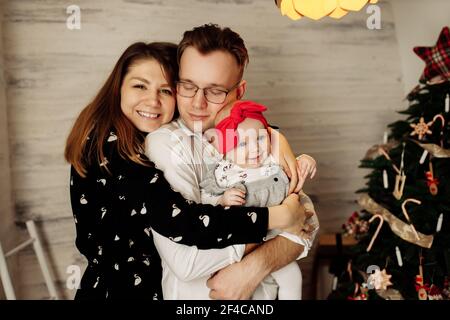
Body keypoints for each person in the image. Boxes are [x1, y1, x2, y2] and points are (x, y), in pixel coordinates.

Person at [64, 41, 308, 300]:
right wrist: (276, 218)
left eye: (166, 91)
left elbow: (303, 214)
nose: (153, 101)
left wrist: (272, 137)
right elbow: (183, 222)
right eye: (139, 85)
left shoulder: (184, 134)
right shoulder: (108, 146)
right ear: (118, 88)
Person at [146, 24, 319, 300]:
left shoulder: (255, 135)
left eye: (215, 91)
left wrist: (254, 268)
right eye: (188, 86)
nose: (197, 103)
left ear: (240, 91)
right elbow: (187, 264)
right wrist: (279, 227)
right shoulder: (167, 145)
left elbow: (307, 220)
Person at [200, 99, 317, 299]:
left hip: (275, 240)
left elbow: (293, 170)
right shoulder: (225, 171)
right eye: (243, 143)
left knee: (292, 277)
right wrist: (223, 200)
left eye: (261, 139)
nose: (255, 149)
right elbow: (206, 198)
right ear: (226, 149)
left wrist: (306, 160)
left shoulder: (271, 161)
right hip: (240, 248)